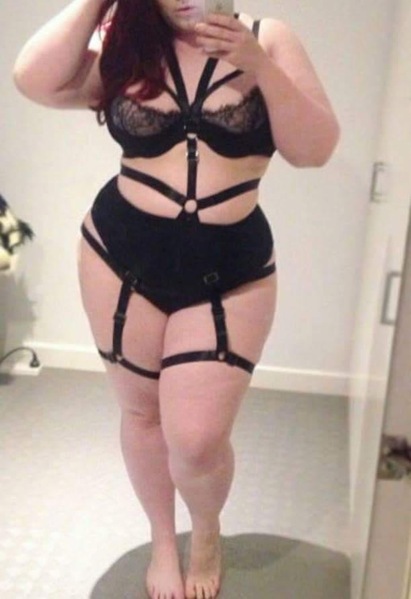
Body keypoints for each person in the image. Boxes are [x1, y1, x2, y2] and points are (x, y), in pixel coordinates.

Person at [13, 1, 340, 597]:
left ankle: (205, 529)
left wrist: (259, 65)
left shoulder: (269, 39)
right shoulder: (131, 45)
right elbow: (32, 78)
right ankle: (164, 539)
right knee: (142, 414)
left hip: (230, 270)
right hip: (119, 256)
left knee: (197, 439)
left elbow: (314, 149)